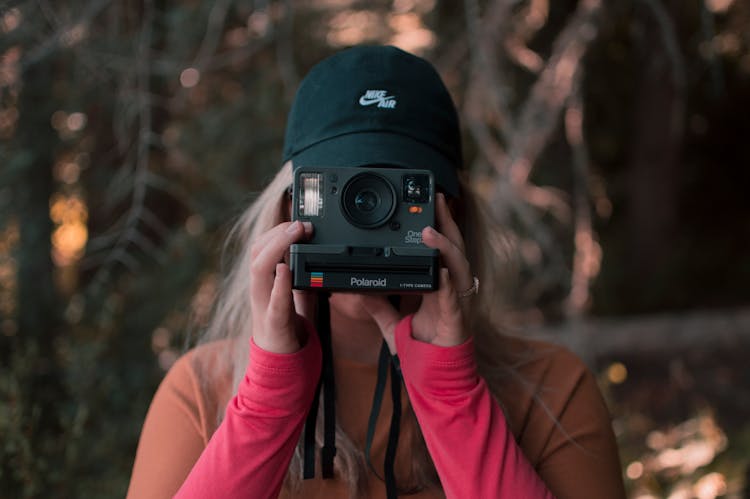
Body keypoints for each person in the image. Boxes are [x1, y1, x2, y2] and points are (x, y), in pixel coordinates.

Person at [127, 46, 625, 499]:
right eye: (340, 197)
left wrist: (452, 393)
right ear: (286, 210)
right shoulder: (202, 390)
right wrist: (268, 396)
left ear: (454, 215)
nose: (365, 222)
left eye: (397, 197)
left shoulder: (551, 390)